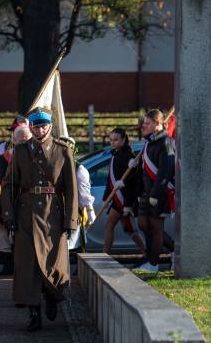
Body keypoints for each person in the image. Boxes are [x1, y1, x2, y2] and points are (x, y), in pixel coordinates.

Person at [0, 107, 78, 331]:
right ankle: (33, 311)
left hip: (53, 215)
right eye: (35, 125)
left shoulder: (63, 151)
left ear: (51, 126)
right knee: (27, 265)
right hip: (26, 215)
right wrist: (9, 215)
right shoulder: (21, 151)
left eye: (44, 125)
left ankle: (52, 297)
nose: (40, 129)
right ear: (30, 127)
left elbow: (71, 190)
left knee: (54, 263)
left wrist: (71, 221)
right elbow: (8, 186)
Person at [135, 109, 175, 273]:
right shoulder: (149, 143)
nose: (143, 127)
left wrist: (155, 195)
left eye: (147, 124)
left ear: (158, 124)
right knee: (143, 224)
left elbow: (165, 171)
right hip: (147, 192)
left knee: (156, 228)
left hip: (160, 193)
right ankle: (174, 250)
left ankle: (153, 264)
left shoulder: (166, 143)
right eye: (143, 124)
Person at [0, 118, 31, 276]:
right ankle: (8, 265)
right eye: (17, 136)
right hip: (9, 196)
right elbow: (2, 179)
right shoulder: (4, 154)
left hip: (27, 201)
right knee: (4, 234)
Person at [102, 127, 146, 255]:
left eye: (116, 140)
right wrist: (106, 196)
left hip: (124, 199)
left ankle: (105, 256)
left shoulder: (129, 157)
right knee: (129, 230)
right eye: (111, 140)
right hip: (117, 198)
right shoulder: (115, 154)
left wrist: (127, 204)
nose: (113, 142)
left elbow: (133, 183)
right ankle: (146, 253)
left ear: (123, 140)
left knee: (109, 225)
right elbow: (111, 178)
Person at [59, 136, 96, 252]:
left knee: (71, 244)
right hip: (55, 210)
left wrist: (90, 211)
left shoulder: (79, 169)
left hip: (71, 211)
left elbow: (84, 193)